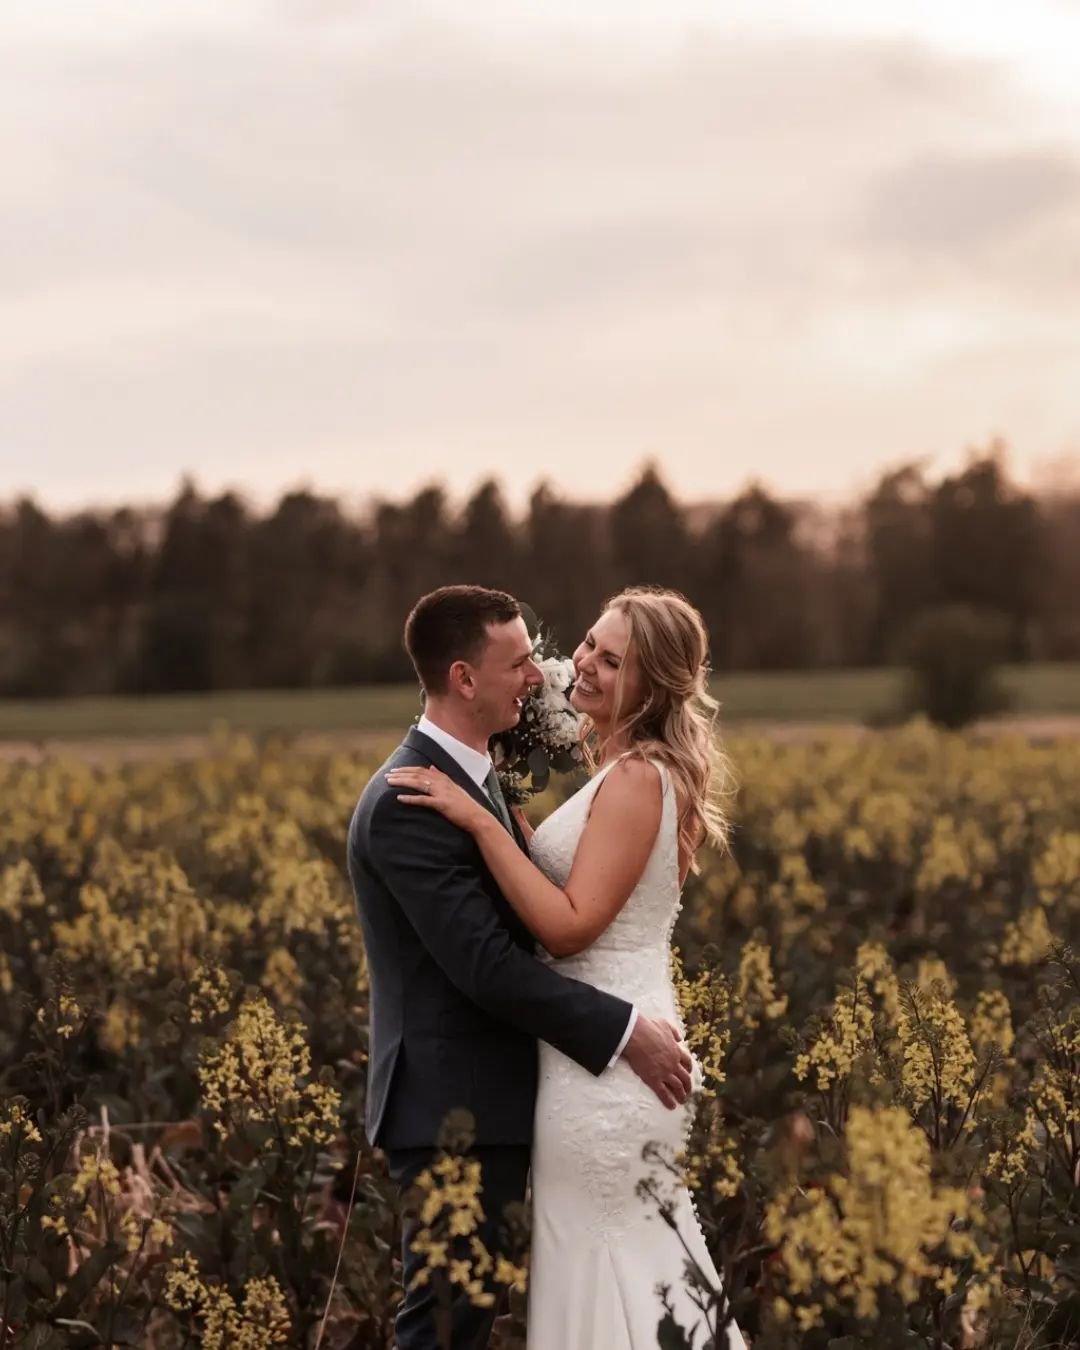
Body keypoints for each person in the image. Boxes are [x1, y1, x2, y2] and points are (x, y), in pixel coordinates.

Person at [386, 585, 747, 1349]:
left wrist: (482, 822)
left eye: (612, 661)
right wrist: (505, 811)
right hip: (601, 1049)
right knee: (616, 1259)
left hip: (610, 1064)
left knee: (606, 1258)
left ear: (653, 686)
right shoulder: (621, 775)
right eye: (589, 641)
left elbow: (571, 927)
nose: (580, 662)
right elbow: (565, 886)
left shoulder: (636, 779)